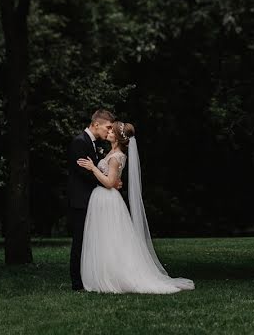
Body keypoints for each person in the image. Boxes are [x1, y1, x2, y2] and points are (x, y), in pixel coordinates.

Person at [76, 122, 194, 294]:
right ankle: (103, 274)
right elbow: (114, 180)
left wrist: (93, 168)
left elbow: (109, 183)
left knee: (111, 238)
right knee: (104, 238)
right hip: (102, 199)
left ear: (116, 137)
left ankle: (113, 277)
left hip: (107, 199)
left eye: (112, 131)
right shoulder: (112, 152)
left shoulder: (116, 157)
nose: (108, 132)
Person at [67, 109, 115, 291]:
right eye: (107, 127)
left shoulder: (94, 143)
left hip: (92, 199)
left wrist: (110, 180)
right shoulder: (80, 142)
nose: (109, 131)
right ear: (96, 124)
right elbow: (83, 173)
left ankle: (89, 277)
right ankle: (77, 282)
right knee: (79, 240)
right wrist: (107, 183)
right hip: (81, 200)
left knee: (90, 240)